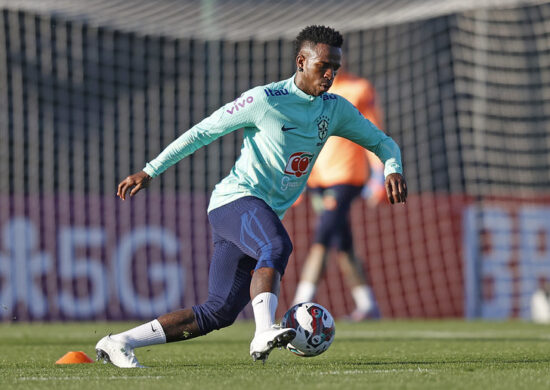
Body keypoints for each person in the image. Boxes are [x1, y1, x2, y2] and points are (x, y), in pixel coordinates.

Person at [95, 25, 407, 368]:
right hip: (235, 200)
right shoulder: (265, 100)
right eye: (324, 67)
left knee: (218, 312)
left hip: (259, 214)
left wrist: (392, 167)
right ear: (301, 61)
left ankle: (119, 342)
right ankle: (264, 331)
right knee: (276, 245)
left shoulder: (334, 109)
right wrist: (151, 169)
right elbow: (203, 132)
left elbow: (382, 141)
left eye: (336, 68)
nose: (331, 75)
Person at [292, 69, 386, 321]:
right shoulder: (308, 92)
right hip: (317, 180)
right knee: (343, 243)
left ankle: (300, 304)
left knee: (322, 238)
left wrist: (380, 174)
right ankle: (367, 305)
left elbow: (373, 133)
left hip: (346, 177)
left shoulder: (358, 89)